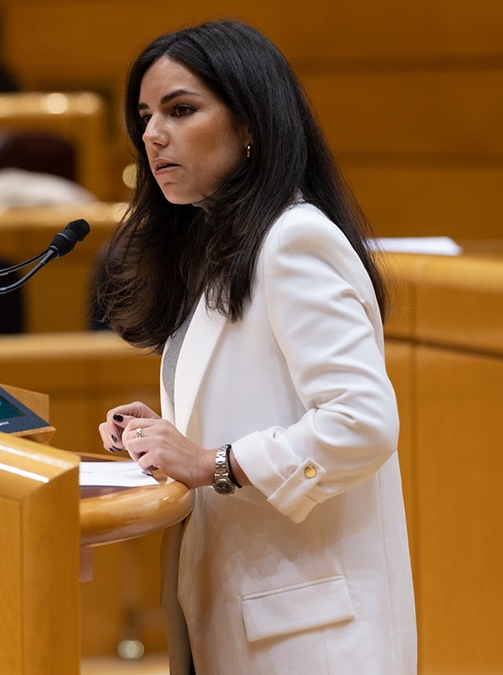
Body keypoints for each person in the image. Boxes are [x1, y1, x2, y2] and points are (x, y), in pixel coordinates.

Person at [94, 21, 415, 674]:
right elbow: (251, 410)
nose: (154, 135)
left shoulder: (294, 240)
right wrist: (167, 436)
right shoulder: (216, 246)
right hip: (242, 616)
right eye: (146, 116)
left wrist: (212, 460)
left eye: (181, 110)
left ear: (250, 126)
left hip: (311, 634)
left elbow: (363, 422)